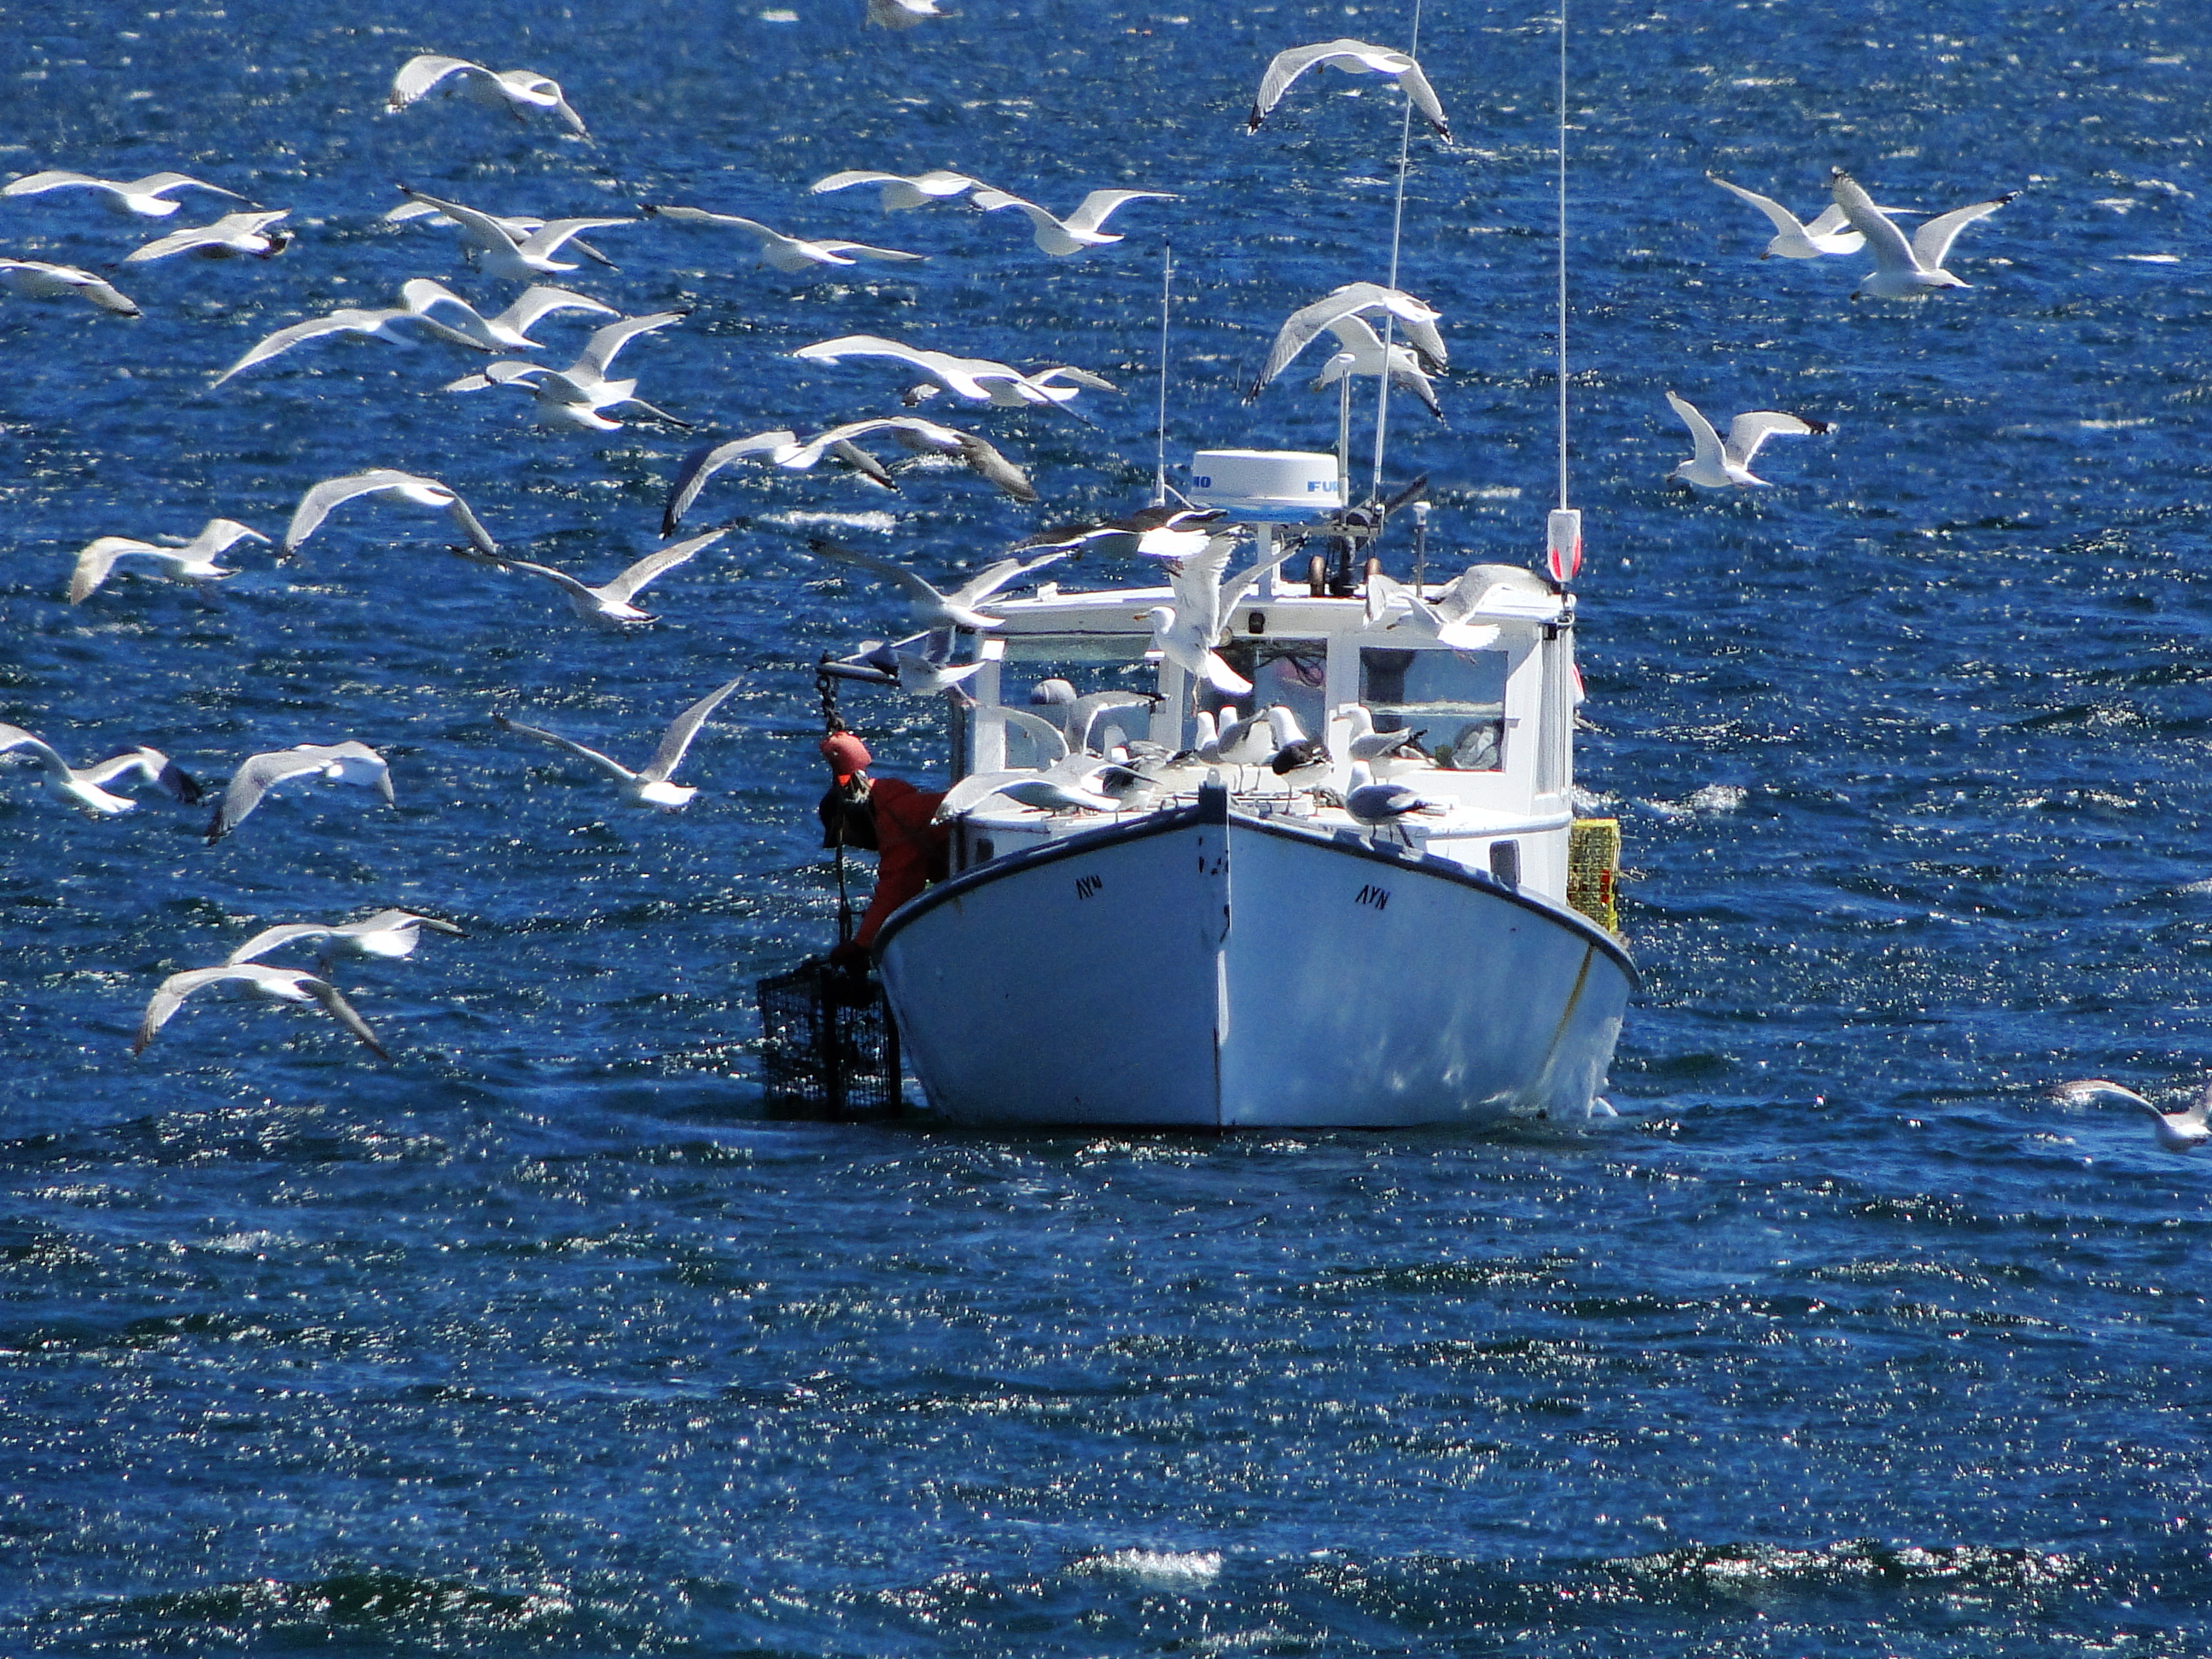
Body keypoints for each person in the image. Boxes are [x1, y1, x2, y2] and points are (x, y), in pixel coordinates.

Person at [816, 732, 949, 968]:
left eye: (848, 835)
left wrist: (860, 946)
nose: (856, 844)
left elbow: (897, 887)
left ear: (854, 814)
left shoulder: (897, 820)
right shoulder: (898, 808)